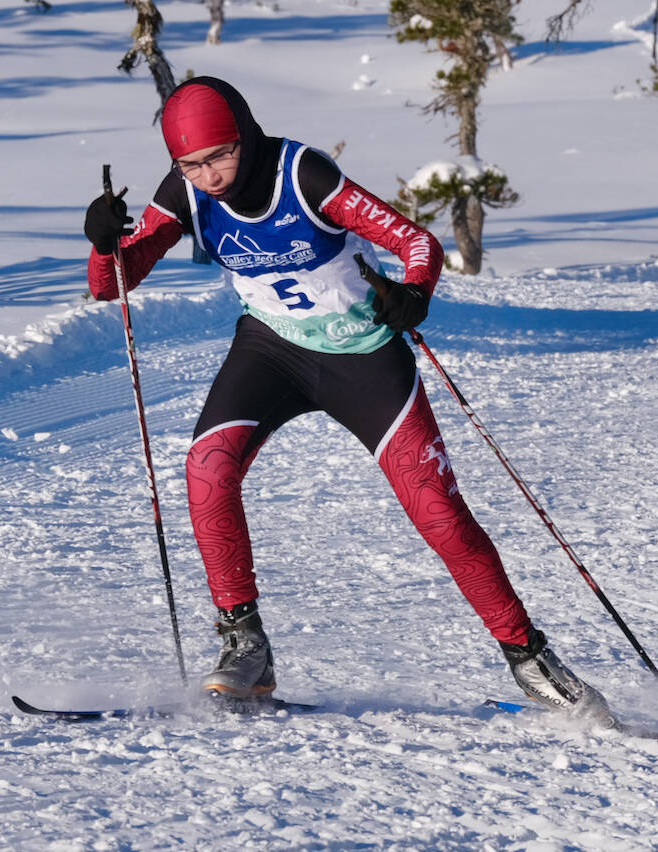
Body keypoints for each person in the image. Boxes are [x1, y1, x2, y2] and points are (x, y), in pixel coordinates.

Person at [83, 76, 610, 723]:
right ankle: (245, 646)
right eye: (192, 164)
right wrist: (104, 241)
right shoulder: (185, 193)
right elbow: (115, 283)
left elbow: (417, 244)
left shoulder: (301, 174)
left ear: (244, 135)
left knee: (438, 512)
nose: (210, 175)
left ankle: (530, 657)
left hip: (363, 355)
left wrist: (414, 291)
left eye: (219, 155)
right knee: (206, 469)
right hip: (271, 350)